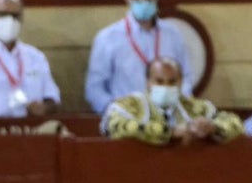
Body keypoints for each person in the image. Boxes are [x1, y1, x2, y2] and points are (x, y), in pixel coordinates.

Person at [85, 0, 193, 115]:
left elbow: (186, 78)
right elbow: (94, 89)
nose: (144, 1)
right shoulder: (107, 38)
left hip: (169, 116)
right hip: (126, 119)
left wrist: (181, 107)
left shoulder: (173, 34)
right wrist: (115, 110)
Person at [102, 57, 241, 145]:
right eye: (159, 81)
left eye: (172, 81)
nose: (166, 86)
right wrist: (170, 132)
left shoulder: (194, 107)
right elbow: (114, 127)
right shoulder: (129, 105)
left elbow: (235, 123)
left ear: (180, 82)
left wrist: (212, 127)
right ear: (148, 82)